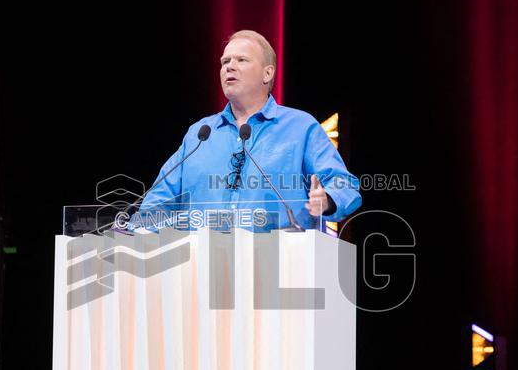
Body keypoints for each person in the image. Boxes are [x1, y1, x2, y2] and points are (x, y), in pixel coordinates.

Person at [138, 30, 361, 231]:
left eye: (241, 60)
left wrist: (328, 199)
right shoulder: (200, 134)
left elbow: (344, 184)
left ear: (267, 74)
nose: (229, 66)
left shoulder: (301, 127)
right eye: (225, 61)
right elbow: (158, 201)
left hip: (280, 259)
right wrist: (133, 230)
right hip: (201, 260)